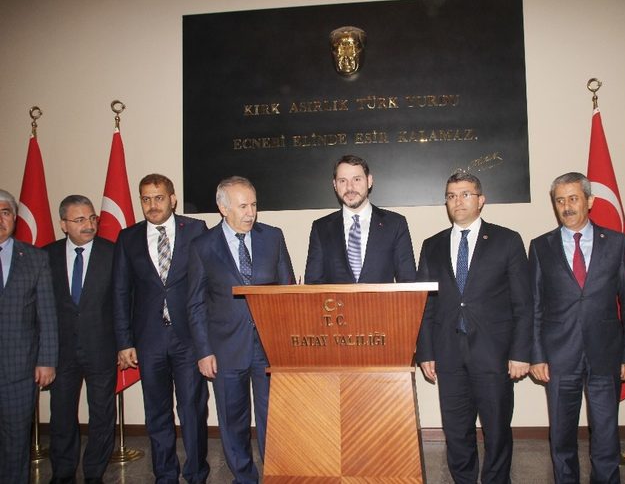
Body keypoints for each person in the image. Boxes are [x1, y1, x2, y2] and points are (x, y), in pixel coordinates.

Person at [416, 171, 532, 484]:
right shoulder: (432, 246)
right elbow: (424, 306)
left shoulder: (507, 240)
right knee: (456, 431)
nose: (459, 201)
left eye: (466, 194)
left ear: (481, 200)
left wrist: (521, 353)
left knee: (496, 432)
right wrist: (425, 352)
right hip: (448, 354)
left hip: (494, 355)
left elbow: (523, 303)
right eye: (452, 195)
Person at [528, 172, 625, 483]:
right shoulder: (540, 247)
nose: (566, 206)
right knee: (562, 437)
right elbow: (535, 306)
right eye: (560, 200)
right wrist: (536, 355)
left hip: (605, 355)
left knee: (606, 434)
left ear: (589, 201)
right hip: (559, 357)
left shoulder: (616, 243)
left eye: (573, 198)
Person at [188, 176, 294, 483]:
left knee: (272, 419)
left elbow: (286, 292)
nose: (250, 213)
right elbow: (194, 304)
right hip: (224, 349)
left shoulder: (273, 237)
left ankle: (276, 474)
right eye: (242, 206)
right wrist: (204, 350)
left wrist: (285, 344)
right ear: (223, 208)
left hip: (268, 347)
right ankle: (245, 477)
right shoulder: (202, 246)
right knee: (232, 421)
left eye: (254, 205)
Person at [112, 174, 209, 483]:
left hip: (189, 338)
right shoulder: (128, 238)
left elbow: (206, 286)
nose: (152, 205)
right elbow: (120, 292)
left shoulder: (196, 230)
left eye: (158, 198)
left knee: (193, 410)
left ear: (172, 199)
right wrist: (124, 341)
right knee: (157, 412)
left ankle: (196, 473)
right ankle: (165, 474)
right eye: (145, 199)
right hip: (148, 340)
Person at [46, 195, 117, 484]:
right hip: (61, 352)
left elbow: (124, 303)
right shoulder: (46, 255)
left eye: (91, 218)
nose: (88, 225)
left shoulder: (112, 253)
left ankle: (94, 473)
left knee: (101, 415)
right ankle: (62, 473)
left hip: (101, 347)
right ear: (63, 224)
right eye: (79, 220)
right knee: (61, 416)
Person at [0, 189, 58, 484]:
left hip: (18, 369)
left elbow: (46, 314)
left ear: (14, 218)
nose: (0, 219)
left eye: (5, 212)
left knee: (15, 441)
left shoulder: (34, 258)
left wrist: (47, 360)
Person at [304, 154, 416, 284]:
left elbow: (408, 282)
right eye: (342, 181)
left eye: (356, 180)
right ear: (335, 185)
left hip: (383, 304)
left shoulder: (395, 224)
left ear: (369, 181)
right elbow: (313, 283)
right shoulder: (321, 228)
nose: (350, 187)